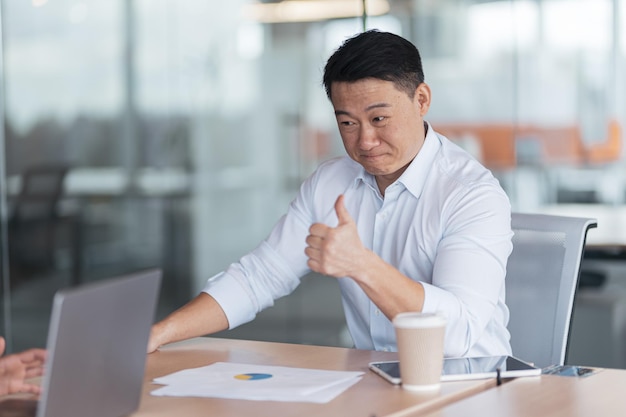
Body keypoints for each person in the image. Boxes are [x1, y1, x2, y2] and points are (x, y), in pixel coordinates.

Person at [148, 30, 513, 358]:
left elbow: (458, 334)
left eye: (379, 119)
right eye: (347, 123)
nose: (365, 140)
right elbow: (260, 276)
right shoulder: (331, 182)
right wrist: (160, 333)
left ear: (421, 100)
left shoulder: (470, 194)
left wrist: (361, 264)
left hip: (467, 386)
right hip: (373, 383)